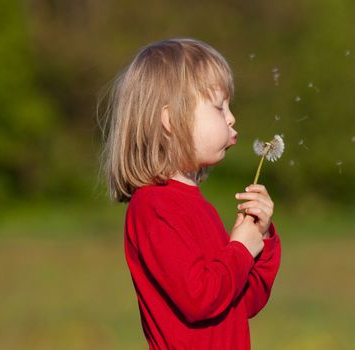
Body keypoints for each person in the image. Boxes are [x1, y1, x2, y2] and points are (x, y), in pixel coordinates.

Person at [99, 37, 281, 349]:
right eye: (218, 106)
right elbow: (199, 297)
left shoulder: (201, 207)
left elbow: (242, 303)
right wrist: (239, 249)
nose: (231, 117)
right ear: (170, 119)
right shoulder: (153, 207)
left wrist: (261, 242)